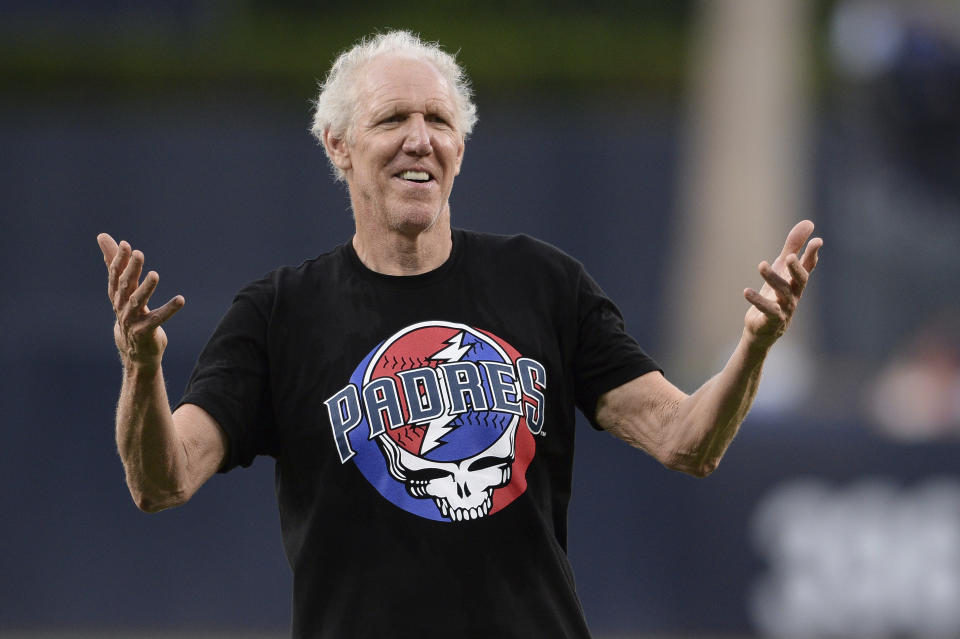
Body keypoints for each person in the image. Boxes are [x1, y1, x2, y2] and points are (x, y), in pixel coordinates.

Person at [96, 30, 822, 639]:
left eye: (439, 121)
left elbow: (685, 439)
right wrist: (140, 367)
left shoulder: (543, 284)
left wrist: (754, 345)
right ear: (339, 145)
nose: (420, 139)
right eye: (392, 120)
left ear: (461, 147)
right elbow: (162, 479)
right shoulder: (279, 313)